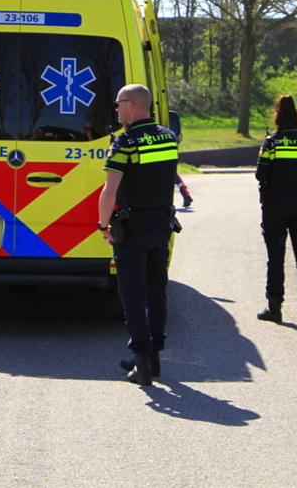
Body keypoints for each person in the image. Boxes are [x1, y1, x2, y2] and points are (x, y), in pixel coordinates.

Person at [98, 84, 179, 386]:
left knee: (133, 295)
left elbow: (110, 191)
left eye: (118, 103)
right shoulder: (168, 137)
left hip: (132, 228)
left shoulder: (126, 141)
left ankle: (141, 364)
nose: (116, 109)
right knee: (157, 291)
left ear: (131, 105)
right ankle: (154, 357)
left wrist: (103, 225)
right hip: (161, 225)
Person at [255, 95, 297, 324]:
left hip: (276, 203)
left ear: (277, 116)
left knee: (276, 257)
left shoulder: (271, 142)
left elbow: (260, 174)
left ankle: (275, 306)